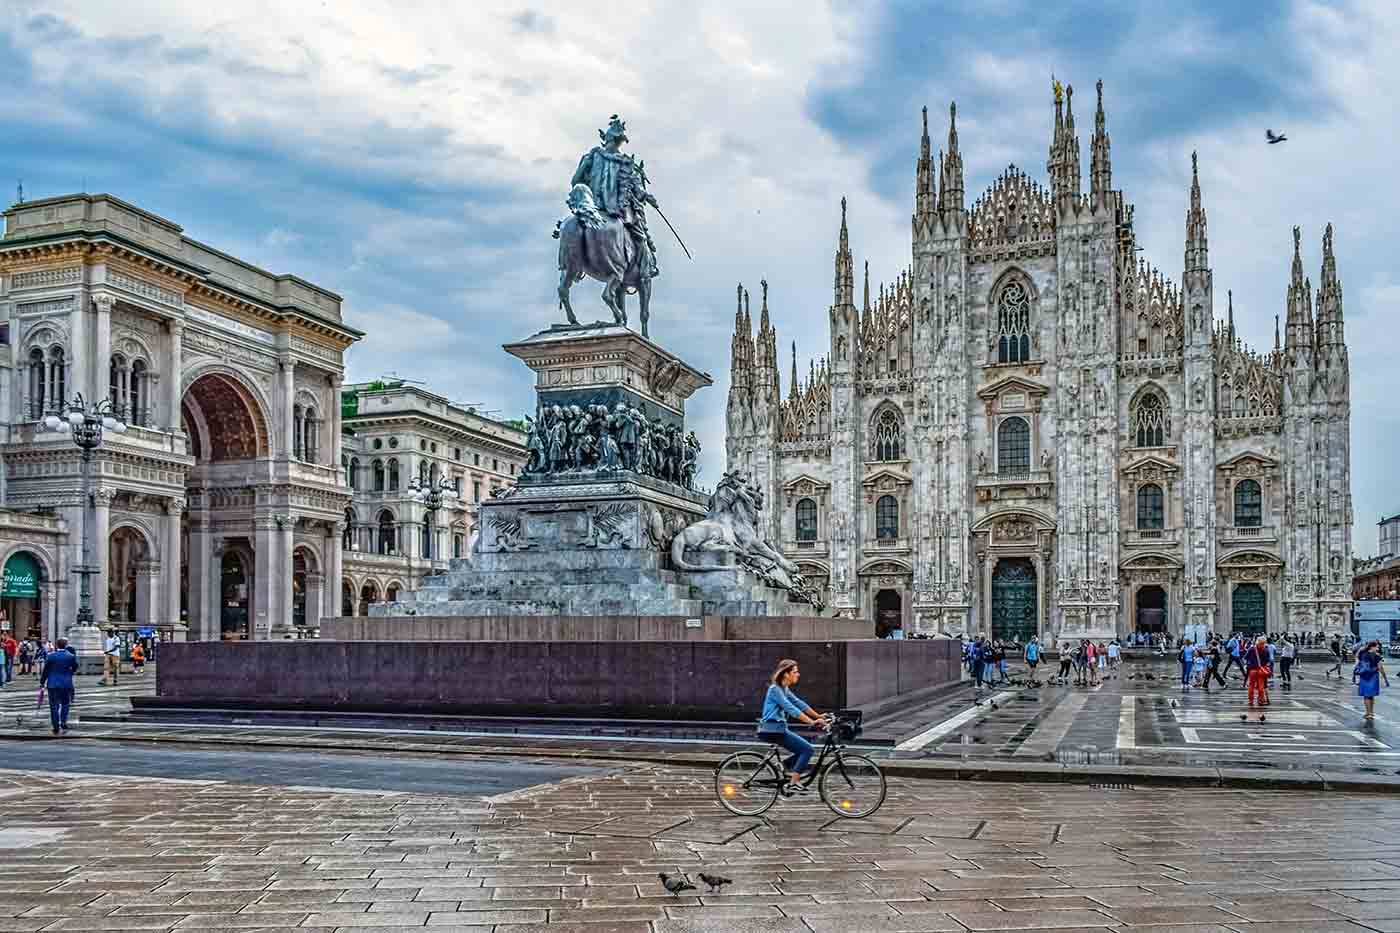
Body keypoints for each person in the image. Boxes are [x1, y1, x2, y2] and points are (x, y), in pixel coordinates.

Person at [757, 659, 828, 791]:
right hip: (772, 729)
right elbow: (791, 709)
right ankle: (793, 782)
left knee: (803, 750)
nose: (798, 674)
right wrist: (811, 722)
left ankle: (782, 766)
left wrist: (818, 716)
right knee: (807, 750)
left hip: (778, 729)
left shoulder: (784, 689)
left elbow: (799, 703)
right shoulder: (775, 689)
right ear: (786, 674)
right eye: (795, 672)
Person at [39, 637, 78, 736]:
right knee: (65, 704)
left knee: (54, 705)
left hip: (52, 684)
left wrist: (42, 682)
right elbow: (75, 667)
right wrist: (69, 673)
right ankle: (63, 722)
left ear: (56, 645)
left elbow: (46, 671)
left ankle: (55, 725)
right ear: (66, 645)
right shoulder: (70, 656)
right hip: (66, 683)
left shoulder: (51, 656)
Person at [1355, 640, 1389, 722]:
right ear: (1372, 647)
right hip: (1373, 676)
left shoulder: (1363, 654)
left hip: (1364, 676)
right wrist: (1385, 679)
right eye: (1377, 647)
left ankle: (1368, 713)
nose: (1378, 648)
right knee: (1371, 695)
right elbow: (1381, 668)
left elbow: (1357, 660)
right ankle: (1371, 712)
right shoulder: (1377, 656)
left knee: (1366, 696)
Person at [1244, 636, 1271, 708]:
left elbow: (1245, 657)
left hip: (1252, 670)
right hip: (1261, 671)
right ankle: (1260, 700)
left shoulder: (1252, 649)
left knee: (1251, 686)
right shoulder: (1266, 650)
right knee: (1261, 687)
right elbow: (1268, 661)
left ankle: (1251, 700)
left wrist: (1250, 662)